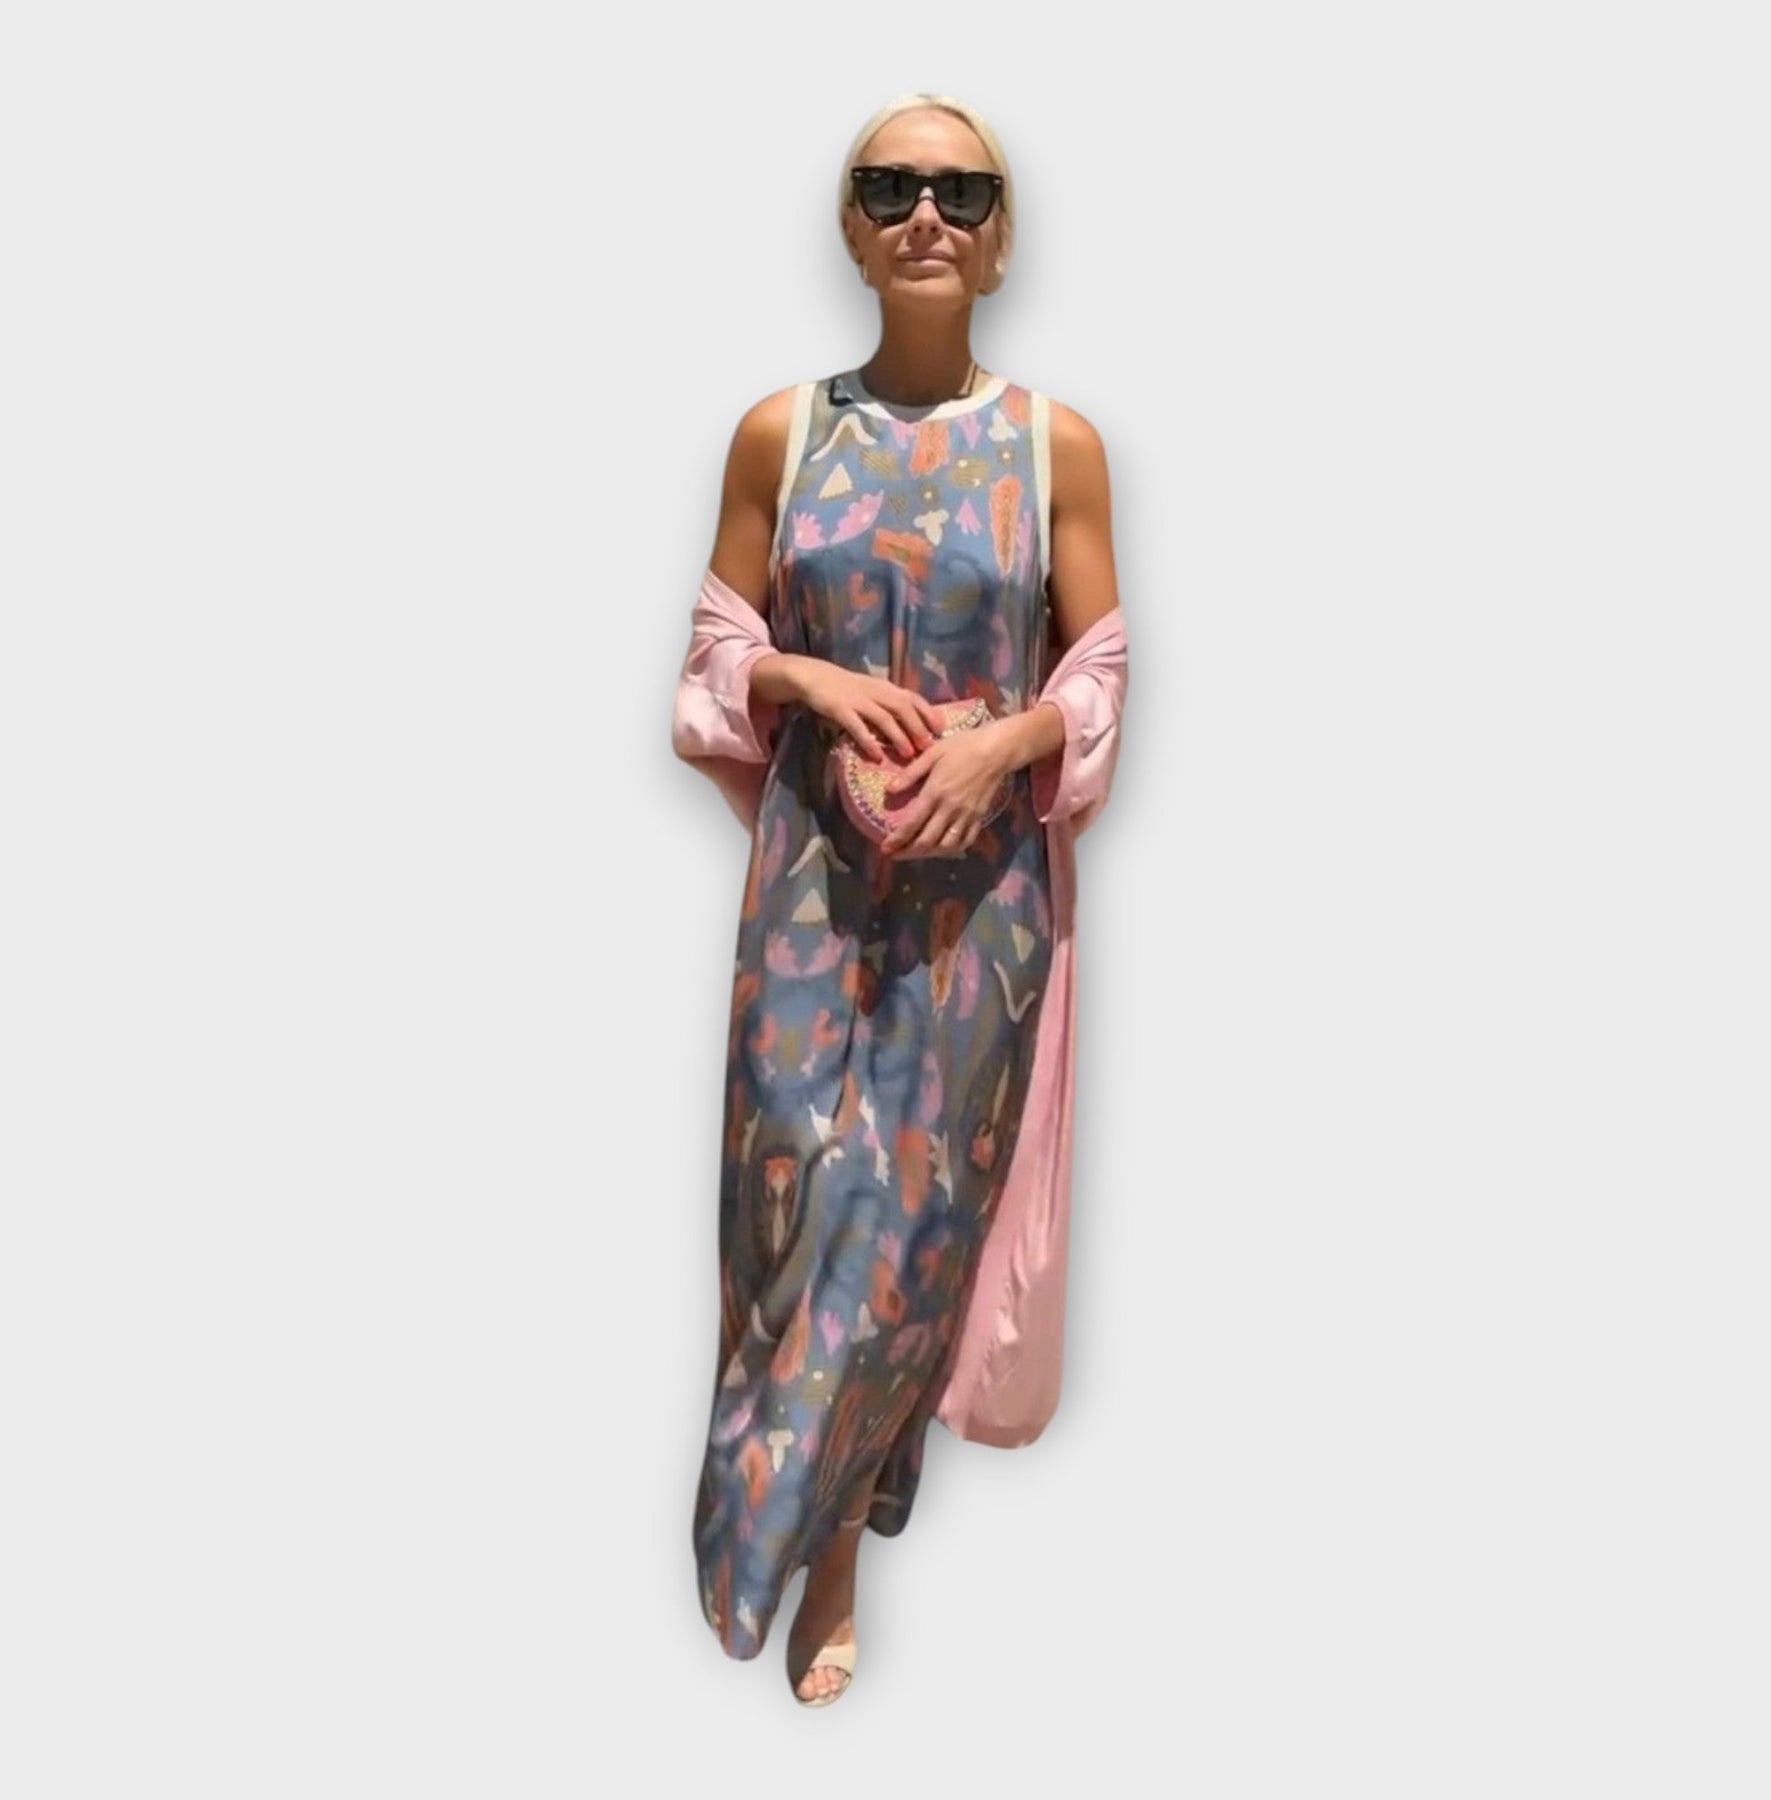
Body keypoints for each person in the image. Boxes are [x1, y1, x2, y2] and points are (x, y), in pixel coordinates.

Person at [671, 91, 1128, 1706]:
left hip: (976, 915)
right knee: (790, 1216)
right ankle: (756, 1533)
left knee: (911, 1233)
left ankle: (835, 1560)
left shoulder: (1055, 447)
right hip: (810, 893)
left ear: (999, 241)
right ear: (854, 232)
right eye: (889, 187)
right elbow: (711, 657)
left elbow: (1100, 668)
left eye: (960, 192)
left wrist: (1010, 739)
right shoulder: (779, 435)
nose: (925, 213)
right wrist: (800, 674)